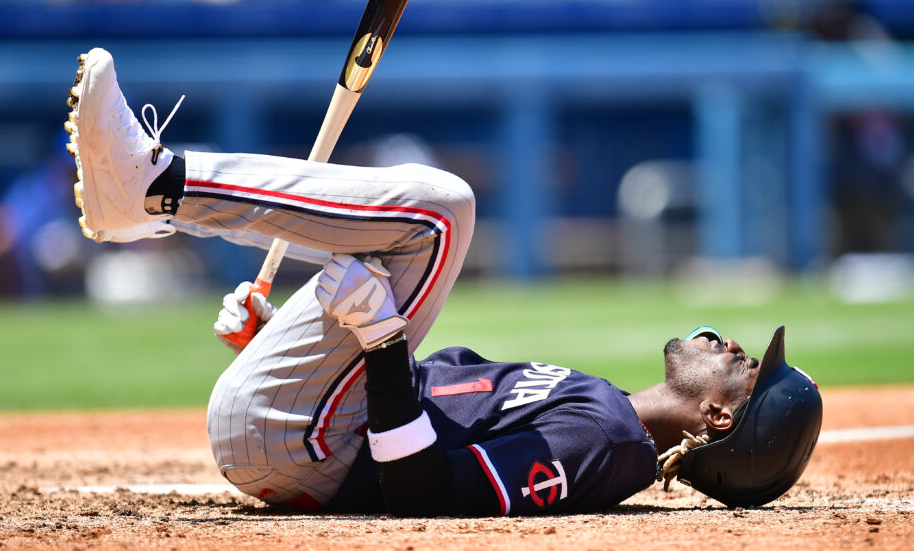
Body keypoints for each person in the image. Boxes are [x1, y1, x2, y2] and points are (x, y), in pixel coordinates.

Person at [64, 47, 823, 516]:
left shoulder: (602, 443)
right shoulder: (604, 409)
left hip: (308, 451)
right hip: (299, 426)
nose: (730, 343)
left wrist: (384, 341)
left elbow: (424, 494)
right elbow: (406, 398)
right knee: (386, 253)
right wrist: (281, 344)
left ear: (719, 418)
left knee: (441, 214)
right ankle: (156, 200)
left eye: (744, 364)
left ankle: (159, 189)